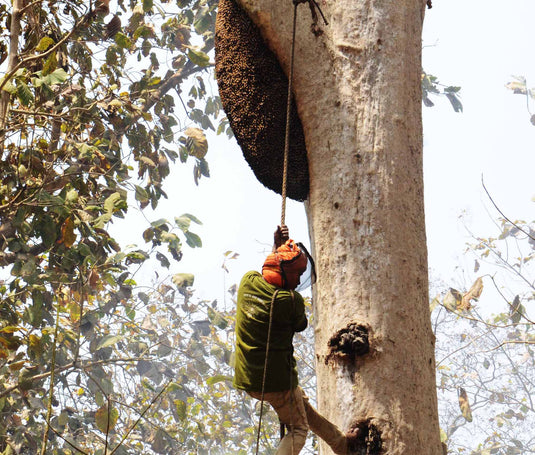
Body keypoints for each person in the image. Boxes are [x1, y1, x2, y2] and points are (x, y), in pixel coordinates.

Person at [233, 226, 359, 454]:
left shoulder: (248, 281)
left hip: (248, 376)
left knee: (302, 407)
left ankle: (342, 445)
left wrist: (276, 248)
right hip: (276, 380)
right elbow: (300, 324)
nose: (299, 279)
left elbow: (270, 274)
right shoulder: (289, 301)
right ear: (284, 273)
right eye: (297, 274)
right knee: (299, 428)